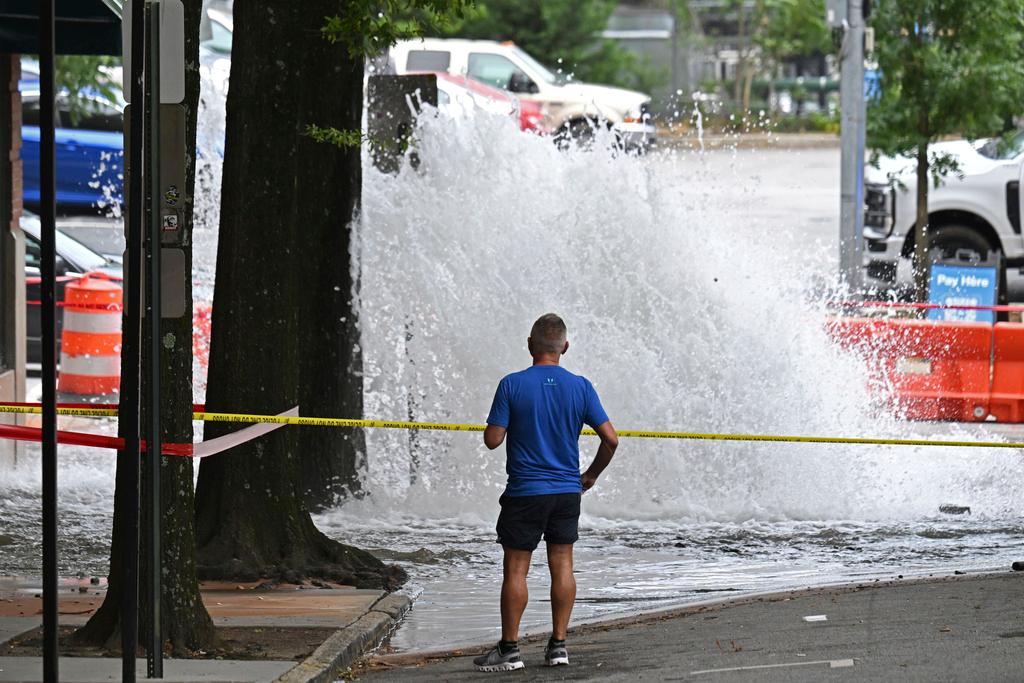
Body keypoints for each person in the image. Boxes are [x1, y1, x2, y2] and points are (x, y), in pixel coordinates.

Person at [473, 313, 619, 672]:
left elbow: (493, 441)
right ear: (564, 347)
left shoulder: (512, 384)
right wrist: (591, 476)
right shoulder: (581, 387)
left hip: (525, 491)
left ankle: (509, 650)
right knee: (563, 565)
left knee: (516, 570)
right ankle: (558, 646)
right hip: (567, 491)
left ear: (529, 345)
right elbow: (611, 439)